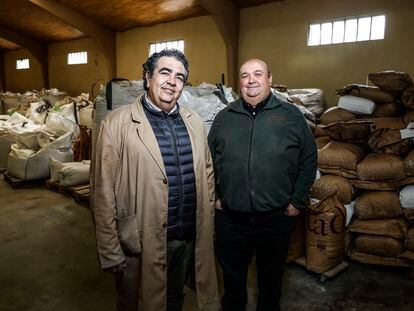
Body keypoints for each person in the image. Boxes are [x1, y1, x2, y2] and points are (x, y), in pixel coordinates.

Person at [91, 49, 218, 311]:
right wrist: (110, 248)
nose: (172, 81)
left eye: (180, 77)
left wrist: (209, 227)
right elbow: (101, 190)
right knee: (138, 302)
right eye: (165, 72)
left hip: (187, 236)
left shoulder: (193, 122)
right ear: (148, 77)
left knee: (174, 298)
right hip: (142, 238)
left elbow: (207, 173)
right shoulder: (117, 123)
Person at [208, 59, 317, 311]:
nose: (251, 80)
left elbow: (309, 158)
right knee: (233, 280)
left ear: (269, 78)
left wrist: (297, 200)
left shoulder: (290, 116)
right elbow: (208, 159)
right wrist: (216, 196)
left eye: (258, 74)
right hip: (231, 218)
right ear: (240, 82)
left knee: (271, 279)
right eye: (244, 75)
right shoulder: (225, 118)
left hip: (276, 217)